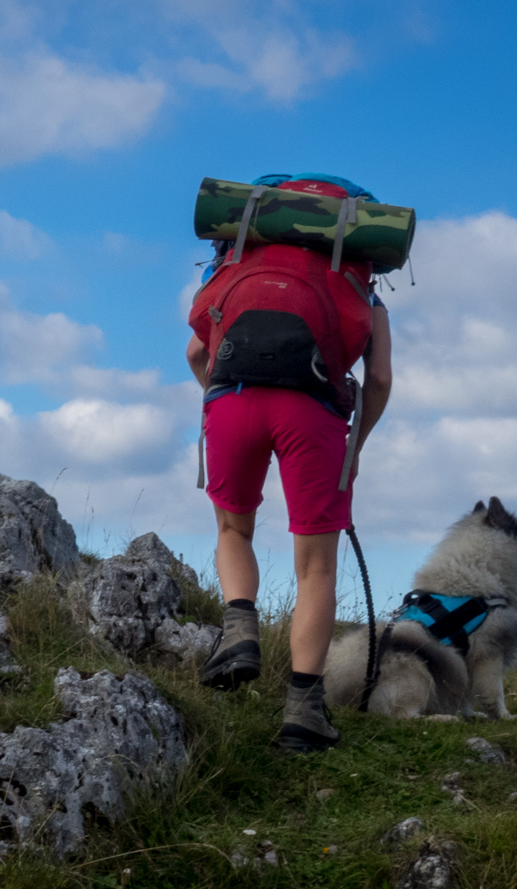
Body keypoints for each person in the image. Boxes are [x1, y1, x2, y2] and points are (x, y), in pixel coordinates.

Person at [185, 173, 393, 753]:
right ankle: (303, 713)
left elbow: (197, 352)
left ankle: (239, 629)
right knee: (316, 568)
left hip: (232, 401)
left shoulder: (229, 267)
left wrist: (222, 393)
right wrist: (357, 443)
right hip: (315, 413)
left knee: (233, 527)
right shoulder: (358, 284)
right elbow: (378, 378)